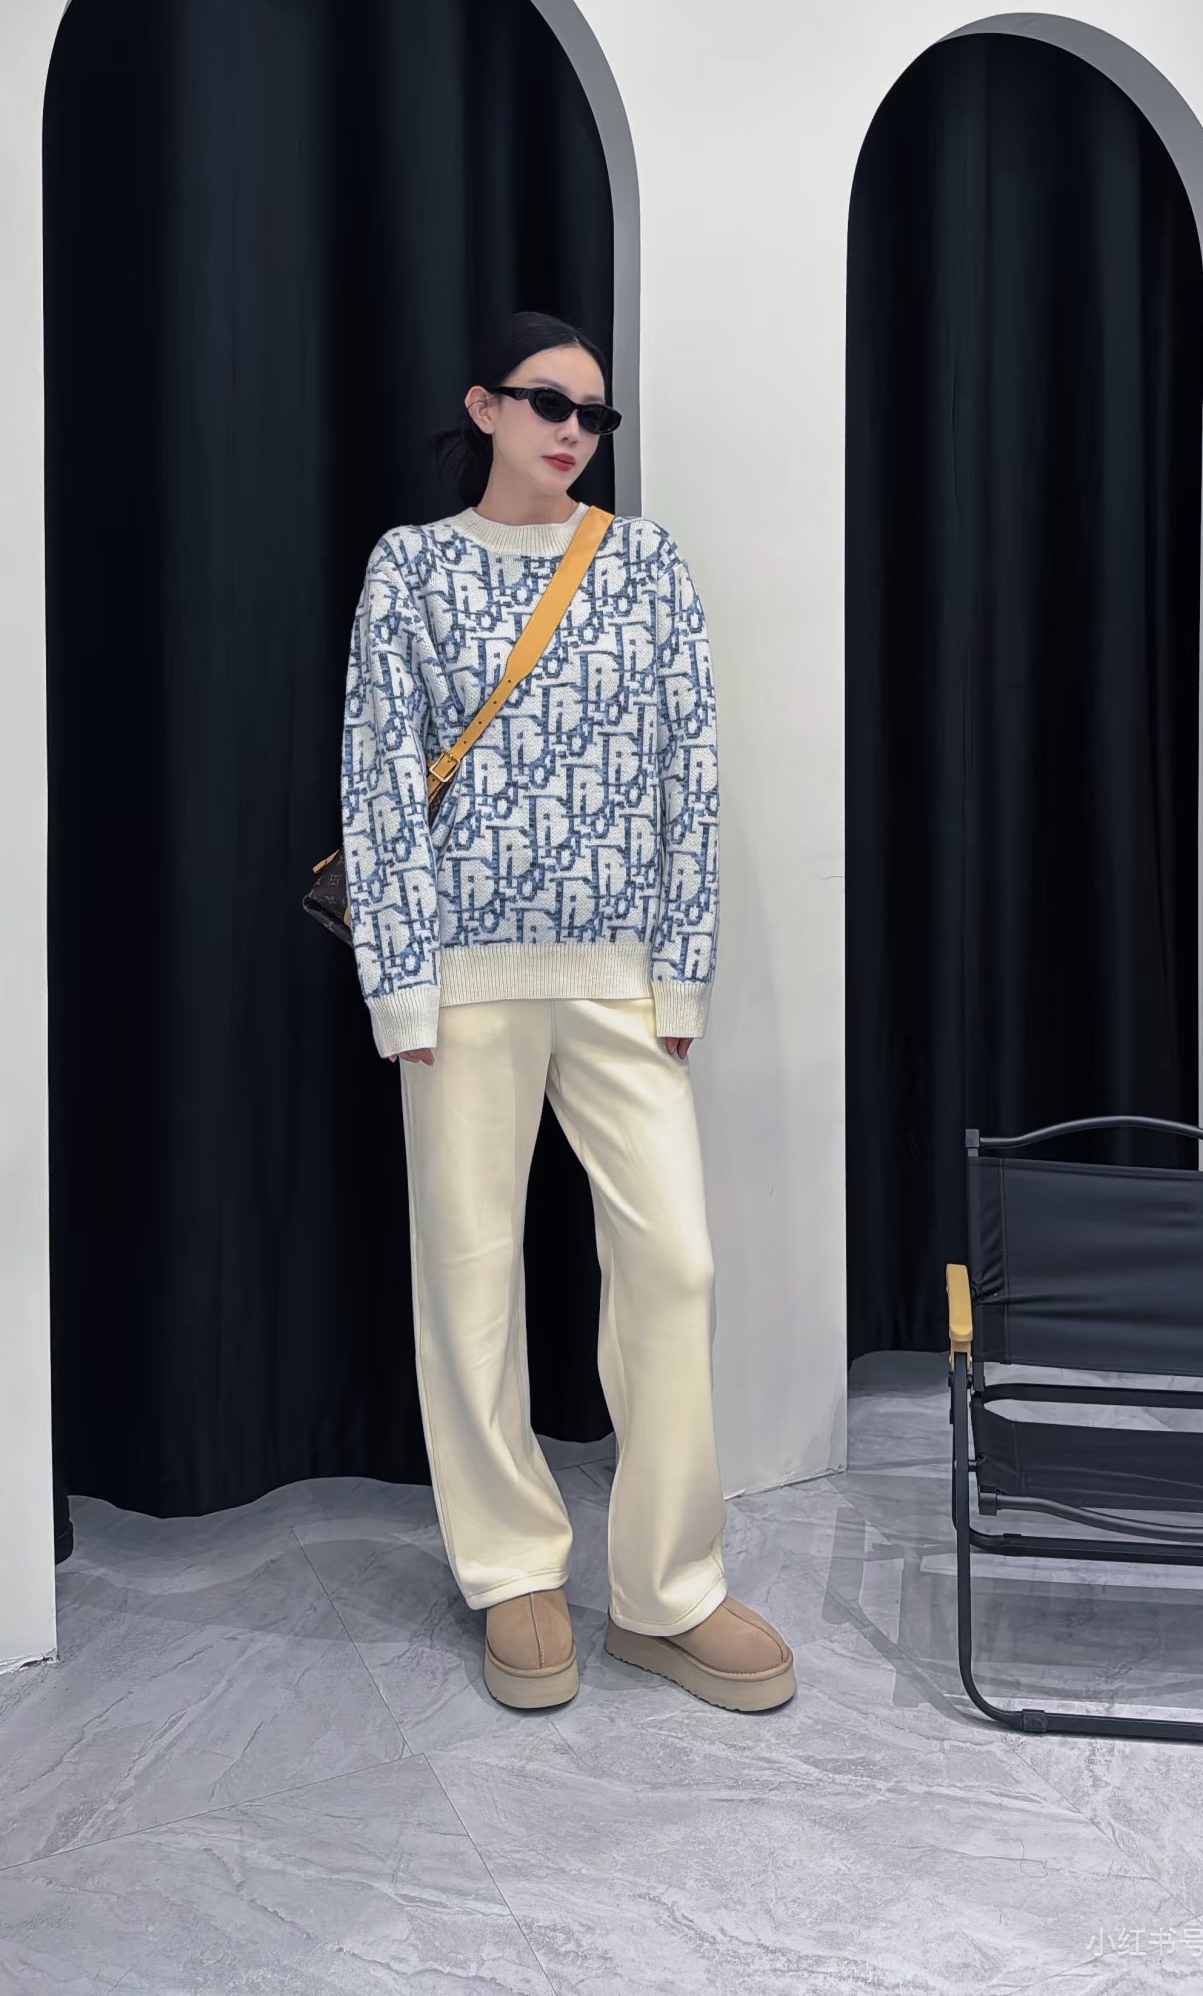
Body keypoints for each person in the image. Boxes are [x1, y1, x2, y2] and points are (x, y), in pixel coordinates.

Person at [341, 310, 795, 1714]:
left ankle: (669, 1590)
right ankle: (512, 1570)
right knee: (469, 1275)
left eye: (595, 415)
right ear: (484, 406)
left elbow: (689, 769)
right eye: (549, 404)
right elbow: (378, 776)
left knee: (676, 1266)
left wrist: (684, 964)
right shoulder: (411, 568)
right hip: (462, 980)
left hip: (617, 977)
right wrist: (401, 981)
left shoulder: (645, 564)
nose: (574, 433)